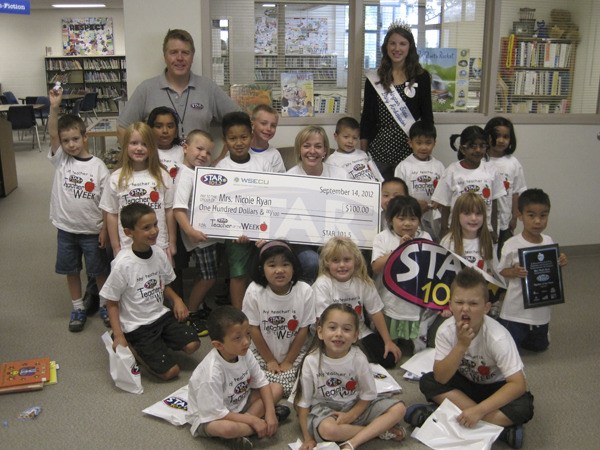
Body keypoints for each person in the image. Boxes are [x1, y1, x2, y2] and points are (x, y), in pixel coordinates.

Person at [406, 268, 534, 450]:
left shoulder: (498, 337)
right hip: (465, 383)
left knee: (524, 406)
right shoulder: (446, 331)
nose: (465, 308)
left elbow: (518, 384)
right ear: (450, 305)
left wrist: (478, 411)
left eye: (473, 304)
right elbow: (441, 377)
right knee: (428, 381)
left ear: (486, 308)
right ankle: (501, 430)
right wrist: (461, 345)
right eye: (459, 302)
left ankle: (455, 415)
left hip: (494, 388)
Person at [100, 203, 200, 381]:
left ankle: (159, 343)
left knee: (193, 344)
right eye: (146, 228)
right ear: (129, 232)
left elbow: (165, 284)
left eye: (155, 224)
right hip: (137, 326)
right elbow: (111, 302)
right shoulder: (122, 265)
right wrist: (119, 335)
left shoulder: (159, 253)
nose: (154, 231)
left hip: (160, 316)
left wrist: (177, 300)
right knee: (171, 372)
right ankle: (136, 348)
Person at [294, 304, 407, 450]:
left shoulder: (358, 357)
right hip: (327, 410)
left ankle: (352, 443)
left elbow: (368, 394)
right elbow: (303, 403)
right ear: (320, 332)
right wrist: (308, 438)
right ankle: (378, 431)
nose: (339, 333)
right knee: (328, 430)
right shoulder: (311, 360)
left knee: (399, 409)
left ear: (355, 336)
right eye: (332, 328)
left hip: (356, 405)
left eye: (346, 329)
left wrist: (351, 416)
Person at [48, 87, 110, 331]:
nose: (70, 145)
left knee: (99, 272)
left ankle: (105, 304)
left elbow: (107, 203)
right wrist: (54, 107)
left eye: (75, 139)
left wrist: (105, 229)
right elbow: (53, 132)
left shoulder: (99, 167)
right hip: (66, 229)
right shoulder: (61, 159)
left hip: (92, 230)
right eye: (65, 141)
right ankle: (78, 307)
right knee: (71, 270)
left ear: (86, 137)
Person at [186, 306, 290, 449]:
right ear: (218, 345)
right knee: (227, 429)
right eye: (237, 338)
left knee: (276, 389)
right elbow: (217, 412)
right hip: (212, 417)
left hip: (240, 402)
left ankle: (248, 428)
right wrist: (254, 420)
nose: (246, 341)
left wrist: (271, 413)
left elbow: (262, 383)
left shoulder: (244, 352)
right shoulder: (211, 373)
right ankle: (253, 426)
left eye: (248, 334)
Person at [117, 29, 238, 144]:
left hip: (196, 165)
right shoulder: (146, 89)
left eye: (185, 53)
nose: (180, 58)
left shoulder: (208, 88)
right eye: (173, 52)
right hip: (159, 166)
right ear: (165, 56)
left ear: (192, 57)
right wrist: (138, 162)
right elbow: (123, 128)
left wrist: (222, 159)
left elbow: (240, 121)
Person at [312, 237, 401, 368]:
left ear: (356, 261)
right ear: (327, 263)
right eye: (335, 260)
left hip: (359, 332)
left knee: (390, 359)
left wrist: (388, 341)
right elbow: (321, 320)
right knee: (339, 362)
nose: (342, 265)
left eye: (347, 260)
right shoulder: (322, 284)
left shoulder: (363, 281)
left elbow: (375, 311)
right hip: (332, 334)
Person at [360, 22, 433, 180]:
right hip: (379, 147)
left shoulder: (421, 76)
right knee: (382, 195)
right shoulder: (375, 78)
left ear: (410, 47)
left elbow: (427, 115)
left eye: (402, 44)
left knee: (406, 196)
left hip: (408, 147)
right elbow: (367, 116)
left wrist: (426, 144)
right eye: (392, 43)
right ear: (386, 46)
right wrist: (363, 150)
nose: (397, 48)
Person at [497, 189, 568, 352]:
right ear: (520, 216)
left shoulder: (549, 241)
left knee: (539, 347)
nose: (538, 221)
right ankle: (501, 327)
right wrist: (513, 272)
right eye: (531, 215)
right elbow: (501, 271)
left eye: (543, 215)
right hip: (515, 310)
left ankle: (535, 333)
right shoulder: (511, 244)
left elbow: (551, 270)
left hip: (540, 307)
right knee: (506, 349)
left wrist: (560, 261)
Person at [242, 241, 315, 397]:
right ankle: (275, 389)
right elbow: (253, 329)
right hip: (261, 353)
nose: (279, 270)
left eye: (286, 264)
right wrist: (269, 360)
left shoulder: (305, 291)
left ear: (294, 267)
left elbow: (304, 329)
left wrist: (289, 360)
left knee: (310, 374)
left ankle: (275, 389)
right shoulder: (254, 291)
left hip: (295, 353)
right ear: (262, 269)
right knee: (245, 373)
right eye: (272, 265)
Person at [216, 111, 272, 309]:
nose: (239, 142)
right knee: (238, 273)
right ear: (225, 140)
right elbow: (219, 203)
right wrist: (232, 230)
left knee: (262, 271)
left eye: (243, 137)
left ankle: (260, 311)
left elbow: (271, 197)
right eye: (232, 138)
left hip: (262, 231)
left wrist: (265, 231)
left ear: (251, 136)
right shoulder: (221, 167)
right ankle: (239, 315)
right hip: (235, 233)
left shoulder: (262, 164)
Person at [100, 122, 176, 259]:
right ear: (125, 146)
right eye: (134, 143)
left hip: (159, 244)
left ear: (152, 147)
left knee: (162, 280)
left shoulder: (162, 176)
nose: (139, 148)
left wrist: (172, 242)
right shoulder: (116, 178)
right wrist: (116, 246)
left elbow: (169, 211)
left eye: (145, 144)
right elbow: (111, 214)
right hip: (128, 247)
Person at [371, 195, 434, 353]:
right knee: (387, 352)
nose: (407, 223)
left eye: (413, 218)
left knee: (413, 350)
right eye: (401, 218)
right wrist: (399, 251)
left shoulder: (425, 237)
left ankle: (410, 346)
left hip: (414, 301)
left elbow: (430, 268)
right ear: (390, 219)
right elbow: (376, 267)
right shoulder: (382, 238)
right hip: (388, 300)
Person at [287, 126, 347, 284]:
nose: (312, 151)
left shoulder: (340, 175)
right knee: (312, 261)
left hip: (333, 237)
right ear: (299, 149)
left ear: (325, 151)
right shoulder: (288, 178)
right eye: (306, 146)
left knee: (346, 258)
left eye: (318, 146)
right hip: (301, 241)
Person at [173, 130, 217, 337]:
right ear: (185, 147)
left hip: (207, 235)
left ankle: (197, 307)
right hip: (199, 238)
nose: (203, 155)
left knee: (205, 274)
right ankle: (191, 312)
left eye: (208, 152)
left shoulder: (199, 174)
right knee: (208, 277)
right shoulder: (185, 175)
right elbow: (178, 209)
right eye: (199, 148)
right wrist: (190, 232)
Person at [431, 125, 506, 240]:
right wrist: (444, 230)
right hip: (457, 231)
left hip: (484, 231)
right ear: (462, 149)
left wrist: (493, 229)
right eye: (472, 146)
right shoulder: (452, 171)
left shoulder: (492, 170)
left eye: (482, 146)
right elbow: (445, 203)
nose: (478, 150)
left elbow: (494, 202)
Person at [394, 121, 445, 240]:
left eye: (428, 143)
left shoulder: (439, 166)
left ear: (434, 143)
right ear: (410, 143)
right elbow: (399, 195)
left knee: (432, 242)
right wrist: (414, 204)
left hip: (433, 216)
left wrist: (439, 201)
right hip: (410, 216)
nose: (423, 147)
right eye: (418, 143)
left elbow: (444, 191)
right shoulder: (403, 166)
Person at [484, 117, 527, 257]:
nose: (501, 140)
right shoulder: (481, 160)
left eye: (506, 136)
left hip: (505, 219)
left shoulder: (513, 163)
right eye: (497, 136)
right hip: (483, 218)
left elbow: (516, 193)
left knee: (503, 254)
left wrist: (514, 217)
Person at [440, 192, 496, 274]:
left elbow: (495, 271)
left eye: (478, 213)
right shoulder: (448, 241)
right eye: (467, 213)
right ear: (457, 215)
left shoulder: (486, 240)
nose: (473, 218)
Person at [326, 117, 381, 181]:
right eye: (346, 137)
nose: (350, 141)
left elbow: (377, 175)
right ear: (336, 136)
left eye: (355, 138)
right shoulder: (331, 162)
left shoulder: (363, 154)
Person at [147, 106, 184, 184]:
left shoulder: (184, 152)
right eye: (159, 126)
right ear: (150, 129)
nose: (165, 131)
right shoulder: (144, 152)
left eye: (170, 126)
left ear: (176, 131)